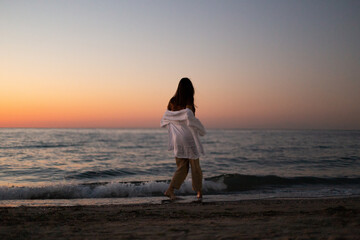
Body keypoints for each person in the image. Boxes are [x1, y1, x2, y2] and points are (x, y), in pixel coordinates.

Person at [160, 77, 206, 200]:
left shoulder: (172, 101)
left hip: (177, 139)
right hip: (188, 138)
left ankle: (170, 190)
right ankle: (199, 192)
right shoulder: (188, 102)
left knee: (182, 167)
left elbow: (168, 117)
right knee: (195, 167)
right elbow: (190, 119)